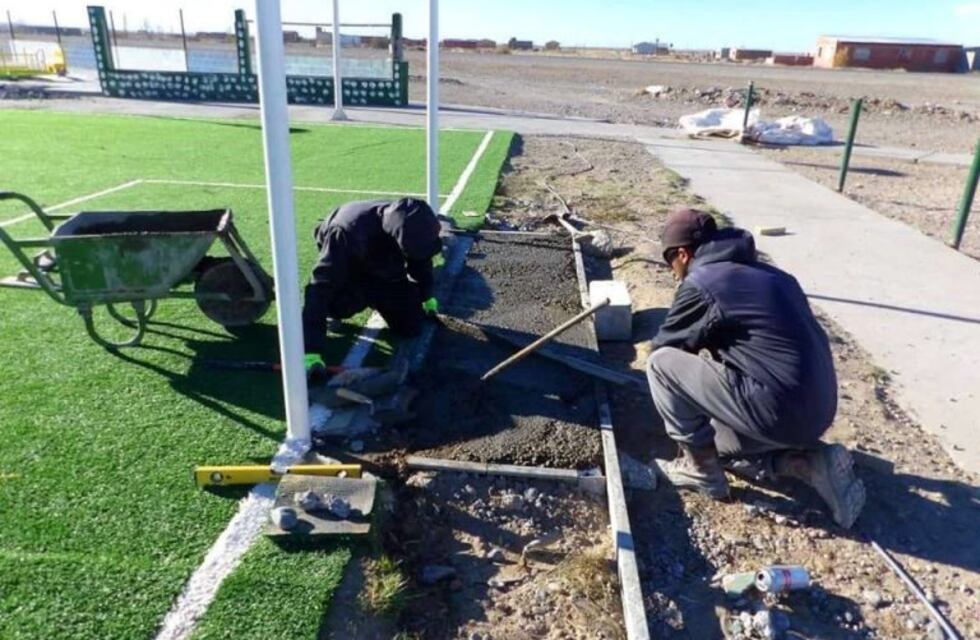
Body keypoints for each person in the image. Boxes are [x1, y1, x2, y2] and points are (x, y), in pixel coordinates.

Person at [647, 208, 865, 528]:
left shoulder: (703, 282)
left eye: (671, 263)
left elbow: (665, 346)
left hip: (776, 410)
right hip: (819, 411)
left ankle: (702, 472)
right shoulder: (776, 275)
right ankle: (803, 463)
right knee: (718, 439)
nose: (673, 272)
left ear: (683, 254)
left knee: (661, 366)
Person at [302, 198, 442, 374]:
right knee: (337, 305)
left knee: (411, 326)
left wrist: (427, 296)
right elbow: (319, 287)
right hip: (350, 265)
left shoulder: (413, 222)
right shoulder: (345, 232)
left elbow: (420, 260)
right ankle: (344, 304)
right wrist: (311, 351)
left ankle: (376, 295)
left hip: (385, 270)